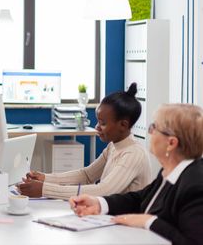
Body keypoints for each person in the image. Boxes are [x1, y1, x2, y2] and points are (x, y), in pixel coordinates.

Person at [70, 104, 203, 245]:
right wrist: (99, 203)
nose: (150, 132)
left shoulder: (196, 186)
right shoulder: (170, 172)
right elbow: (140, 199)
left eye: (154, 128)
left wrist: (149, 221)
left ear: (171, 143)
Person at [18, 83, 151, 199]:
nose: (97, 127)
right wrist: (45, 178)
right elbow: (87, 175)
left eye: (103, 123)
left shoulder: (133, 154)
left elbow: (103, 191)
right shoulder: (114, 147)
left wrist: (45, 189)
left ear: (123, 125)